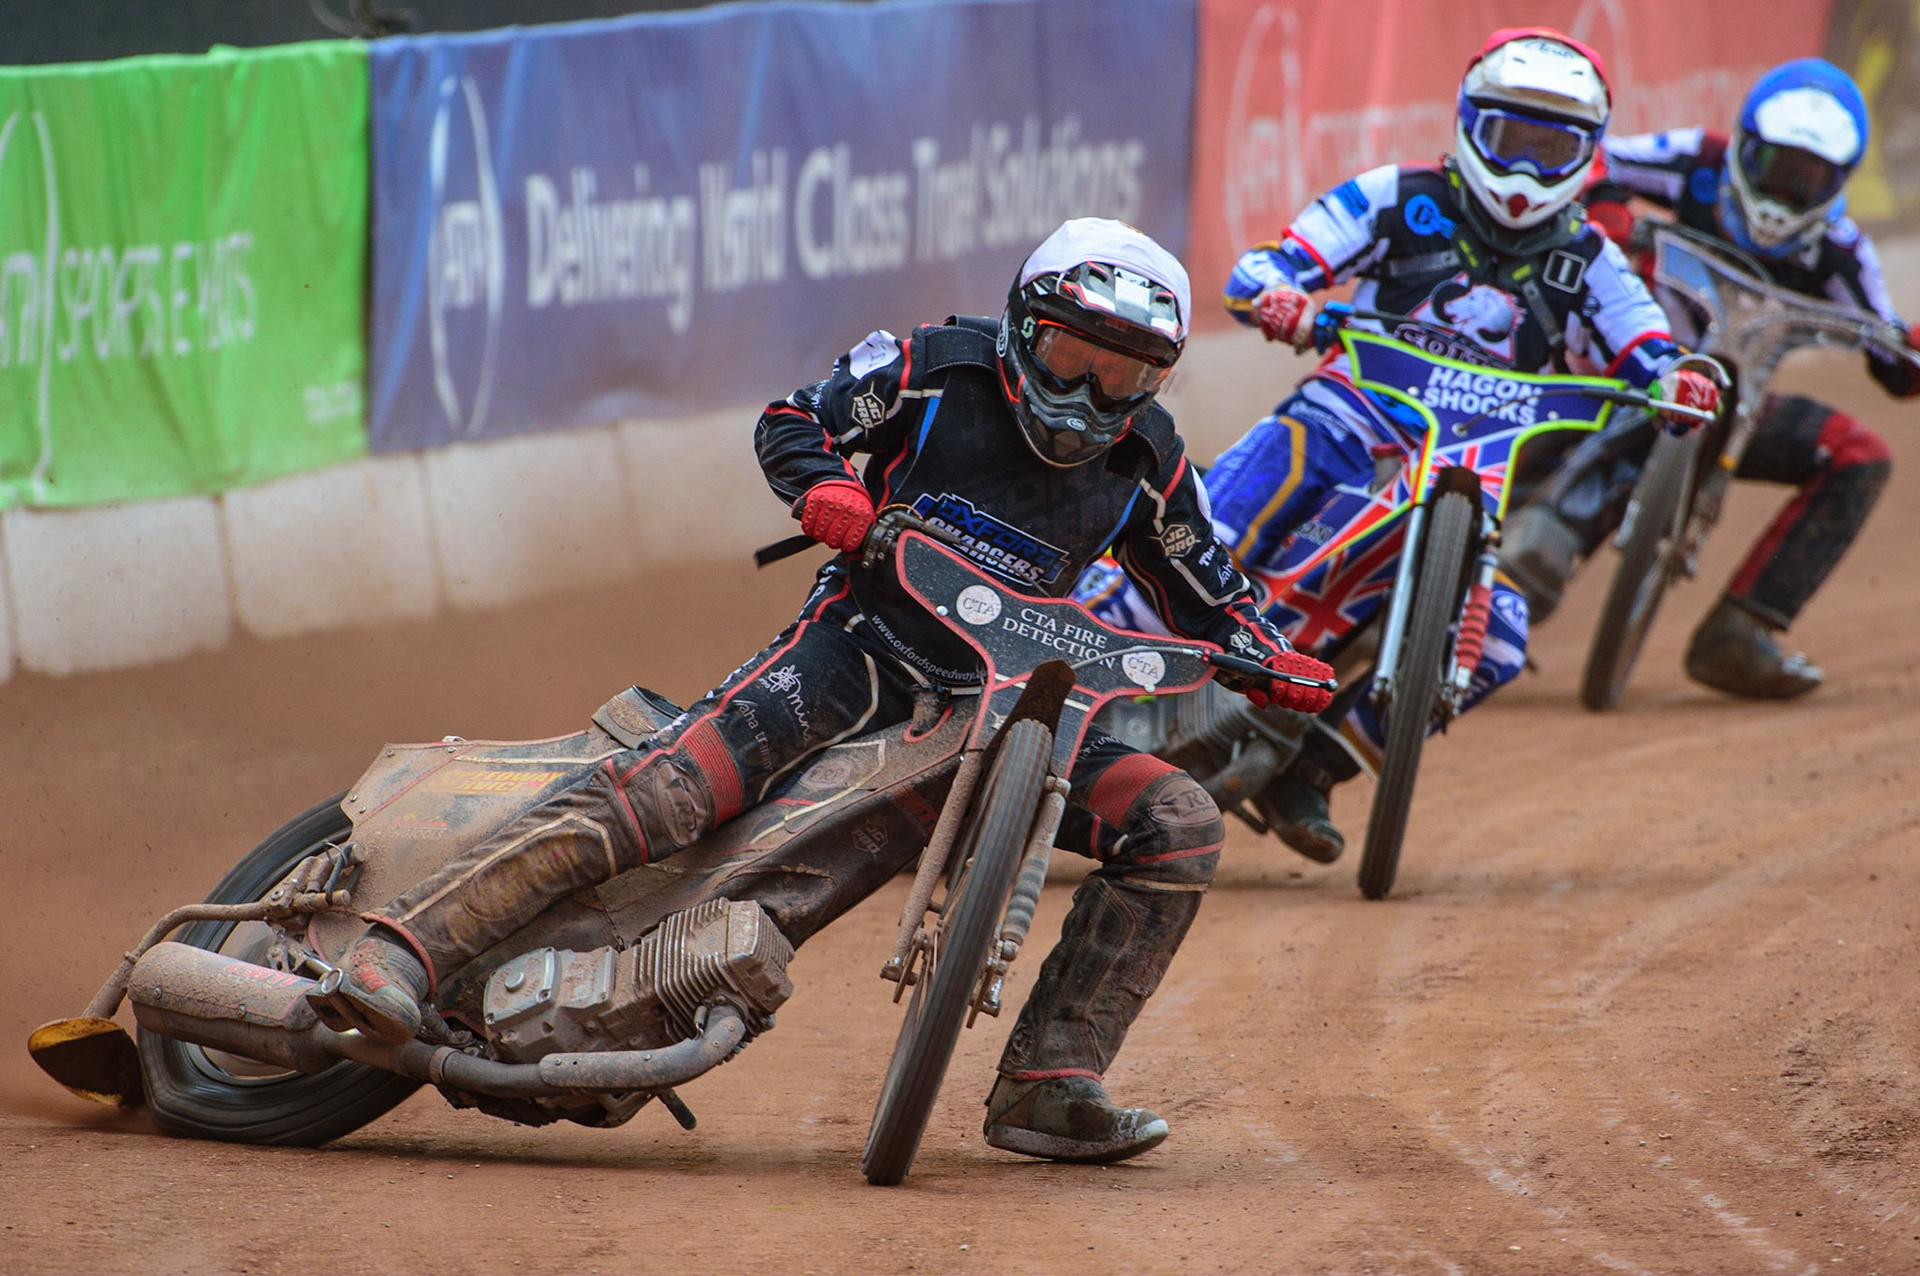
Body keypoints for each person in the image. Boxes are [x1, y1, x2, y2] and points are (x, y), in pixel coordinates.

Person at [305, 218, 1335, 1166]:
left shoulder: (1151, 461)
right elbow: (793, 417)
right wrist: (827, 489)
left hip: (1015, 702)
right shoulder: (930, 367)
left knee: (1183, 821)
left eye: (1125, 374)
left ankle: (1049, 1081)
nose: (1092, 395)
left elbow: (1214, 595)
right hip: (859, 649)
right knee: (674, 789)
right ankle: (405, 950)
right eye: (1076, 355)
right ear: (1027, 323)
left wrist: (1270, 656)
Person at [1077, 29, 1718, 863]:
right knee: (1218, 521)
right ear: (1468, 125)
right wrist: (1281, 298)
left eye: (1549, 145)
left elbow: (1649, 343)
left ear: (1587, 154)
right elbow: (1268, 265)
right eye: (1508, 138)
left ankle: (1308, 764)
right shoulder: (1397, 195)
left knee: (1497, 642)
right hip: (1352, 411)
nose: (1524, 168)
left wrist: (1679, 379)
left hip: (1477, 467)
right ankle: (1043, 663)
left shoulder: (1592, 258)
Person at [1503, 58, 1920, 698]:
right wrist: (1609, 213)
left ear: (1839, 183)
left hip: (1740, 403)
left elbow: (1893, 360)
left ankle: (1741, 631)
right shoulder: (1696, 159)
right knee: (1522, 354)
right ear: (1743, 147)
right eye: (1775, 167)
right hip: (1620, 366)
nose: (1784, 192)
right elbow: (1592, 159)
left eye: (1808, 179)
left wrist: (1907, 347)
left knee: (1859, 455)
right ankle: (1478, 558)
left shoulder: (1839, 251)